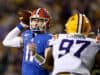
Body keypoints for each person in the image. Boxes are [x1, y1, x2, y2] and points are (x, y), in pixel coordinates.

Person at [33, 13, 100, 75]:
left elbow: (47, 65)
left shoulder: (57, 38)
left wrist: (35, 56)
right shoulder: (93, 43)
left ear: (68, 26)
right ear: (87, 29)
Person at [2, 8, 52, 75]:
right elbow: (6, 42)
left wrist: (35, 55)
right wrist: (21, 25)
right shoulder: (27, 35)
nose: (35, 23)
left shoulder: (49, 38)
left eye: (39, 21)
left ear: (46, 22)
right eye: (34, 20)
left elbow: (49, 67)